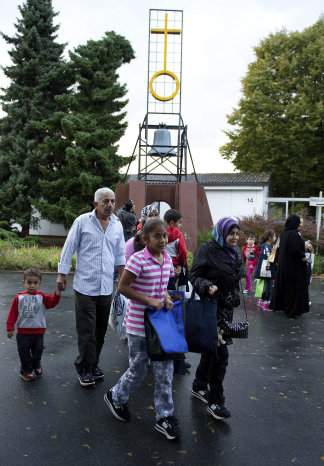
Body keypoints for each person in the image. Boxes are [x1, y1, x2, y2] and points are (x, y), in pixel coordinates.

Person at [104, 218, 182, 441]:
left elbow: (162, 289)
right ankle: (116, 396)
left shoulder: (167, 259)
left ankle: (164, 417)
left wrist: (166, 297)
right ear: (145, 239)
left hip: (161, 323)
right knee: (138, 369)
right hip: (138, 326)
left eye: (165, 236)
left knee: (165, 371)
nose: (162, 240)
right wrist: (149, 300)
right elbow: (122, 287)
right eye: (157, 236)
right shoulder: (137, 260)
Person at [56, 187, 126, 387]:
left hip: (106, 287)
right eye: (105, 201)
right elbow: (69, 247)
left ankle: (93, 364)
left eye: (112, 201)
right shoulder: (82, 221)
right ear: (96, 204)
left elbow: (120, 253)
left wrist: (124, 278)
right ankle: (84, 367)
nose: (110, 205)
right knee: (86, 331)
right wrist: (62, 273)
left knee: (100, 330)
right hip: (85, 286)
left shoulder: (117, 225)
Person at [189, 217, 244, 421]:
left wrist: (236, 296)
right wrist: (207, 286)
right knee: (221, 355)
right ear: (222, 233)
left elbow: (236, 277)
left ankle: (199, 385)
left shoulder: (236, 252)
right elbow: (194, 276)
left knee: (212, 351)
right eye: (231, 233)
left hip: (227, 309)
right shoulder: (207, 249)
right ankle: (215, 401)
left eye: (237, 234)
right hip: (210, 308)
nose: (235, 237)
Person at [6, 267, 61, 381]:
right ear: (24, 282)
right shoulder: (19, 297)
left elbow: (52, 303)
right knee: (24, 353)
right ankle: (26, 371)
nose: (32, 285)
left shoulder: (41, 296)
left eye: (35, 283)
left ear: (40, 283)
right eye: (29, 282)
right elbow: (13, 313)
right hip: (23, 333)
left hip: (38, 332)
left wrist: (58, 293)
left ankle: (36, 365)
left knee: (38, 352)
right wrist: (10, 327)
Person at [271, 215, 309, 318]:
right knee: (294, 289)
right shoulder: (294, 234)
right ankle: (293, 310)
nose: (301, 224)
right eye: (299, 222)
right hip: (294, 268)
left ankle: (284, 307)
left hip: (284, 266)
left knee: (286, 288)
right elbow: (295, 249)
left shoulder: (284, 233)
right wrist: (303, 257)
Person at [164, 209, 188, 292]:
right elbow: (183, 252)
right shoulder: (178, 234)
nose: (181, 225)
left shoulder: (160, 232)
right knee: (174, 289)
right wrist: (182, 264)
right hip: (175, 264)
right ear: (172, 223)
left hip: (163, 264)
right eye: (179, 222)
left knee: (165, 288)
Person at [254, 230, 276, 310]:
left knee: (264, 286)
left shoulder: (266, 246)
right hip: (266, 270)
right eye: (274, 236)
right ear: (270, 238)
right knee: (267, 287)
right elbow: (269, 257)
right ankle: (266, 303)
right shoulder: (266, 246)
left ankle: (261, 301)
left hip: (264, 270)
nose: (275, 238)